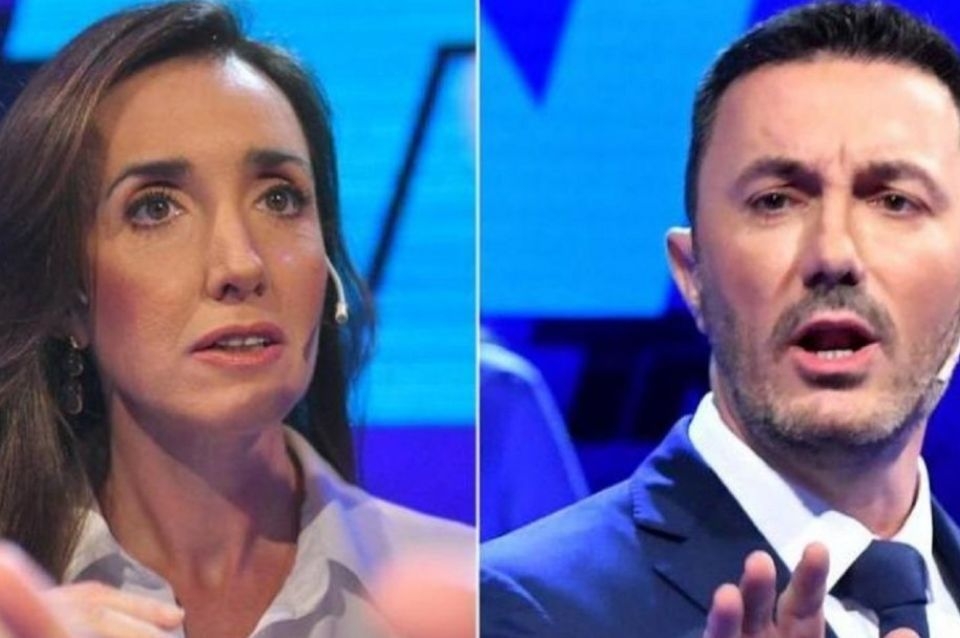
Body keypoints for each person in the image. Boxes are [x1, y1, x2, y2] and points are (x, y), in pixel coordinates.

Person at [480, 2, 960, 637]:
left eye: (895, 201)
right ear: (693, 274)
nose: (834, 254)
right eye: (776, 200)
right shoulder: (515, 611)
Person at [0, 2, 473, 637]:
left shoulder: (463, 594)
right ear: (68, 300)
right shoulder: (15, 607)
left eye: (279, 198)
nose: (241, 265)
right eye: (155, 208)